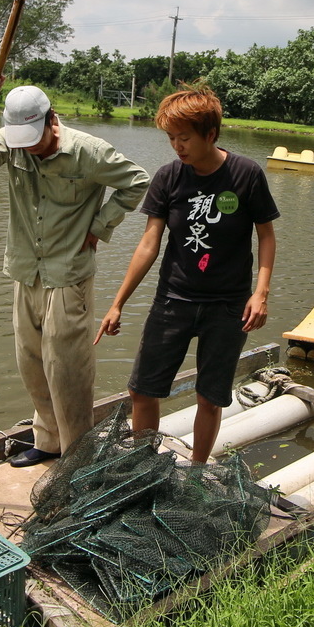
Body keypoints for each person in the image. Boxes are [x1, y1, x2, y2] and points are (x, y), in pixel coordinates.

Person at [0, 64, 150, 468]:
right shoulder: (11, 142)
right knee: (30, 362)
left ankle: (78, 458)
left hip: (68, 273)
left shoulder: (88, 151)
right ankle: (47, 440)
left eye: (36, 139)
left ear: (53, 121)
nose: (29, 148)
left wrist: (99, 226)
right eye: (21, 141)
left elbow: (137, 181)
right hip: (25, 269)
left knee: (67, 370)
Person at [94, 85, 278, 464]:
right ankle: (142, 466)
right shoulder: (168, 177)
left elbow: (267, 236)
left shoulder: (246, 174)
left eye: (184, 137)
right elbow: (149, 243)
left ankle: (195, 473)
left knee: (210, 398)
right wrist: (117, 303)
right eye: (171, 138)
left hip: (227, 307)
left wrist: (259, 294)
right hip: (173, 300)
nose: (177, 146)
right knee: (143, 391)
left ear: (210, 134)